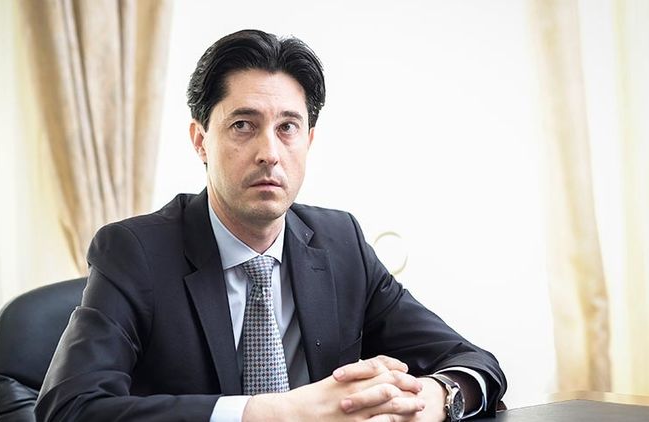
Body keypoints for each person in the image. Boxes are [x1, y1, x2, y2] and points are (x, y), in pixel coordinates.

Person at [35, 29, 506, 422]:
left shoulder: (341, 243)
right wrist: (272, 412)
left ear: (309, 141)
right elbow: (69, 407)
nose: (269, 153)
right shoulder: (134, 251)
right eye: (243, 125)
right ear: (200, 140)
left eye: (287, 127)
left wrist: (438, 397)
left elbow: (473, 362)